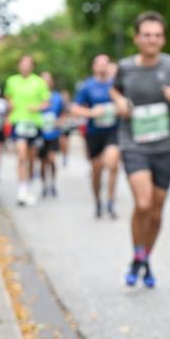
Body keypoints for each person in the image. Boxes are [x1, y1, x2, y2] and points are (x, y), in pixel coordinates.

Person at [111, 12, 170, 288]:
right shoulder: (125, 67)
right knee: (143, 204)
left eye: (157, 35)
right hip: (134, 142)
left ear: (163, 39)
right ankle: (137, 255)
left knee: (156, 211)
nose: (152, 40)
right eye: (147, 35)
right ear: (137, 39)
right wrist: (119, 102)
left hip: (164, 145)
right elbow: (115, 90)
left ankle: (144, 258)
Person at [71, 54, 121, 219]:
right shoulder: (87, 86)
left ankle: (111, 202)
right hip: (94, 133)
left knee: (112, 164)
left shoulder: (116, 85)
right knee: (96, 170)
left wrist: (119, 108)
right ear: (94, 67)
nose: (102, 66)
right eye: (99, 64)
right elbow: (74, 108)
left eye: (105, 63)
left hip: (112, 131)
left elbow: (125, 102)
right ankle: (98, 201)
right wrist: (91, 112)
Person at [4, 55, 50, 206]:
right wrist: (10, 105)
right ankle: (22, 189)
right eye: (22, 64)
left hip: (34, 123)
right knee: (21, 155)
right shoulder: (11, 81)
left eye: (28, 64)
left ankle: (28, 186)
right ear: (18, 65)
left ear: (32, 66)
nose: (25, 66)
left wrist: (37, 107)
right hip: (18, 121)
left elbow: (46, 102)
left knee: (31, 158)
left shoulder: (39, 82)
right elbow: (8, 98)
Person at [38, 72, 65, 198]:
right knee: (43, 162)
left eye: (48, 81)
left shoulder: (57, 97)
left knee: (52, 159)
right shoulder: (36, 96)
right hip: (40, 134)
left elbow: (63, 113)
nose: (45, 83)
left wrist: (59, 122)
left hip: (53, 134)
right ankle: (44, 185)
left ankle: (53, 183)